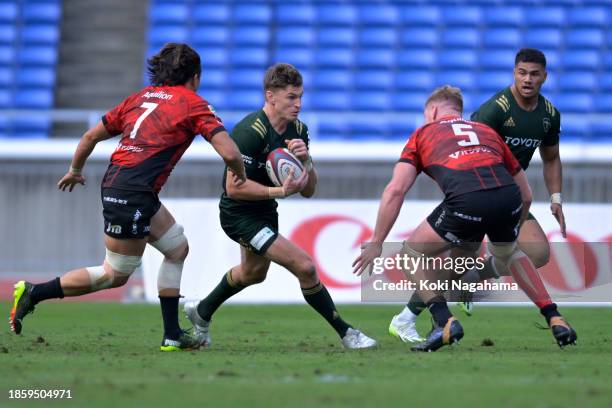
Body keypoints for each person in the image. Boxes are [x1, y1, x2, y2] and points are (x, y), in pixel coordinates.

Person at [9, 43, 247, 352]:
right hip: (131, 193)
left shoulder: (139, 99)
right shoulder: (193, 103)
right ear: (195, 76)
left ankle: (172, 335)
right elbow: (229, 151)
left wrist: (74, 170)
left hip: (131, 189)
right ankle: (33, 292)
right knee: (115, 274)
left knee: (177, 248)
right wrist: (239, 171)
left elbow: (90, 136)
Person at [389, 49, 577, 348]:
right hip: (480, 193)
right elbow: (464, 155)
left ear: (545, 76)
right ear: (514, 73)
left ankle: (469, 283)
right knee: (457, 267)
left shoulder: (549, 115)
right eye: (522, 73)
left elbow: (552, 157)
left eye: (534, 74)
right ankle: (408, 317)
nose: (527, 79)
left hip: (507, 193)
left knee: (538, 253)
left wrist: (556, 197)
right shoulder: (495, 110)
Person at [183, 63, 377, 349]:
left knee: (252, 274)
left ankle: (201, 312)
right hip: (238, 214)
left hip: (264, 210)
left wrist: (307, 160)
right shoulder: (250, 131)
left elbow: (309, 191)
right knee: (306, 267)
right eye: (291, 97)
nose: (298, 104)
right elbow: (233, 188)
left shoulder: (298, 130)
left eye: (300, 96)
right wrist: (279, 191)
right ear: (270, 96)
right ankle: (347, 333)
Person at [353, 85, 556, 352]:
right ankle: (415, 317)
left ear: (433, 110)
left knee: (443, 266)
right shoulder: (487, 130)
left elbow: (395, 190)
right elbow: (525, 192)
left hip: (468, 202)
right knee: (475, 264)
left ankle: (427, 318)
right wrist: (512, 228)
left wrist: (377, 240)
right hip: (503, 199)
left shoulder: (425, 132)